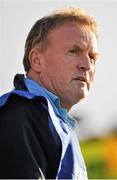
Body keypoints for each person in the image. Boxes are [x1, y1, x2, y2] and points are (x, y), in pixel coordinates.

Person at [0, 7, 98, 179]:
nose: (87, 65)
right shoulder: (20, 115)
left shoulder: (53, 121)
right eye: (73, 51)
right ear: (37, 61)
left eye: (92, 57)